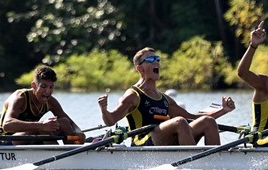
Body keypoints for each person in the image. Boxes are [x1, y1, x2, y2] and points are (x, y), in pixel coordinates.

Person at [97, 48, 235, 146]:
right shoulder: (133, 95)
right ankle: (194, 161)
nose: (156, 62)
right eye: (151, 59)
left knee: (208, 121)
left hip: (165, 139)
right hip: (143, 142)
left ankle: (216, 162)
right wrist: (104, 109)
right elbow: (111, 120)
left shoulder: (165, 99)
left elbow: (191, 117)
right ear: (140, 68)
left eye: (157, 59)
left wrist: (223, 110)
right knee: (180, 122)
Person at [0, 65, 84, 144]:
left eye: (51, 87)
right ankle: (58, 153)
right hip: (8, 141)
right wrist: (41, 125)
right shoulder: (20, 98)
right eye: (43, 86)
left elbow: (70, 122)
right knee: (43, 128)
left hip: (30, 137)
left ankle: (74, 147)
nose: (47, 92)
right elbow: (7, 125)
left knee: (64, 122)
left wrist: (78, 132)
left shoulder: (51, 101)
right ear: (34, 85)